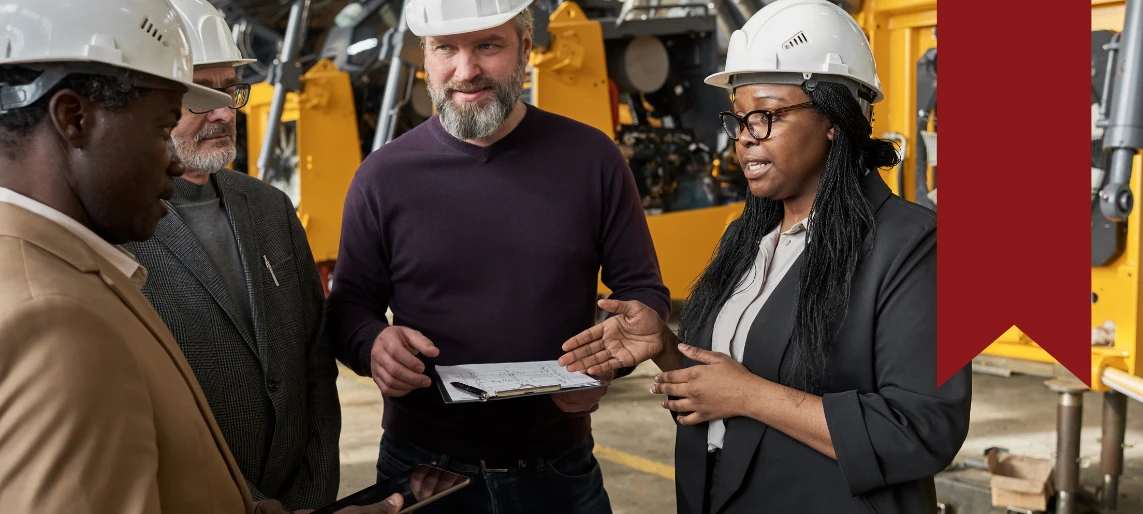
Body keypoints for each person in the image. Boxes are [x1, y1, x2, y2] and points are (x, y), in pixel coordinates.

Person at [558, 1, 971, 513]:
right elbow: (722, 390)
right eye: (739, 118)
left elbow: (923, 430)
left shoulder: (910, 244)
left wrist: (750, 396)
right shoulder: (748, 238)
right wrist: (663, 348)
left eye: (768, 116)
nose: (745, 139)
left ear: (836, 120)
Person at [0, 1, 401, 513]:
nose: (171, 156)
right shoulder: (47, 311)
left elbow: (310, 368)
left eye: (229, 91)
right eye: (163, 120)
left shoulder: (81, 260)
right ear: (75, 118)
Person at [325, 0, 671, 511]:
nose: (466, 71)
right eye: (447, 48)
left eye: (488, 45)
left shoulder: (592, 159)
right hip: (421, 473)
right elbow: (350, 307)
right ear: (426, 57)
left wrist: (607, 366)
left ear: (526, 47)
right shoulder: (383, 177)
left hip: (558, 470)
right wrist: (373, 345)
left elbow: (641, 291)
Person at [121, 0, 342, 510]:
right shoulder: (116, 227)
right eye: (201, 94)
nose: (224, 111)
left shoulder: (270, 208)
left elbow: (314, 364)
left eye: (228, 91)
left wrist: (311, 496)